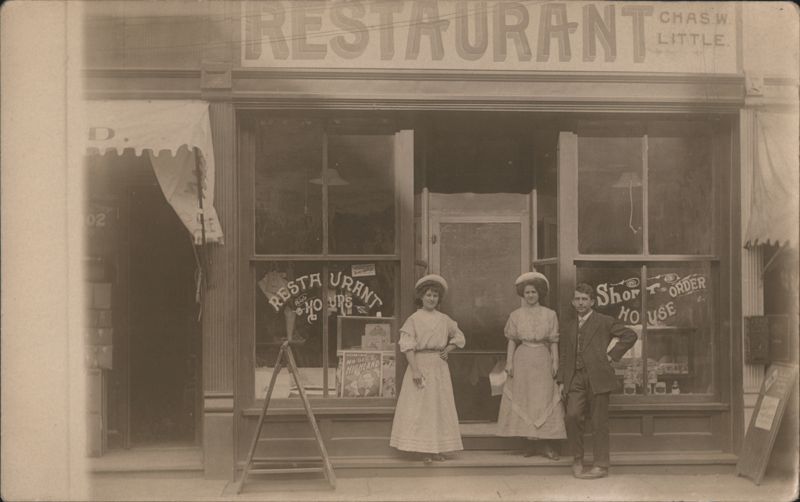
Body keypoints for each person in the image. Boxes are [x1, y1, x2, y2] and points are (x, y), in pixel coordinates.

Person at [557, 282, 637, 479]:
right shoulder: (569, 325)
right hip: (575, 378)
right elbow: (565, 354)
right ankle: (577, 458)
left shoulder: (604, 321)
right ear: (573, 302)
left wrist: (611, 355)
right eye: (577, 299)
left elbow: (630, 335)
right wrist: (561, 381)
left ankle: (601, 465)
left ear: (592, 302)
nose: (581, 303)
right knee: (572, 416)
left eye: (585, 299)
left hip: (598, 377)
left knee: (599, 422)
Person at [390, 274, 466, 464]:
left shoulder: (444, 319)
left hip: (438, 366)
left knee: (438, 406)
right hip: (420, 364)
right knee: (421, 407)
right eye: (428, 295)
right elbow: (407, 346)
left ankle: (437, 448)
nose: (431, 299)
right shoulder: (414, 319)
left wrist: (447, 349)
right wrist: (415, 370)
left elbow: (459, 337)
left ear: (439, 299)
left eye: (435, 296)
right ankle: (422, 450)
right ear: (421, 297)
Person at [496, 271, 566, 460]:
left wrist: (555, 362)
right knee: (525, 398)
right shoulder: (516, 315)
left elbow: (553, 341)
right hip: (523, 359)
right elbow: (511, 340)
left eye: (534, 292)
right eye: (527, 292)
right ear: (522, 294)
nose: (530, 296)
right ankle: (531, 444)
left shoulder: (550, 315)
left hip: (542, 358)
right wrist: (510, 362)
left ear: (539, 294)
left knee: (542, 399)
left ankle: (545, 444)